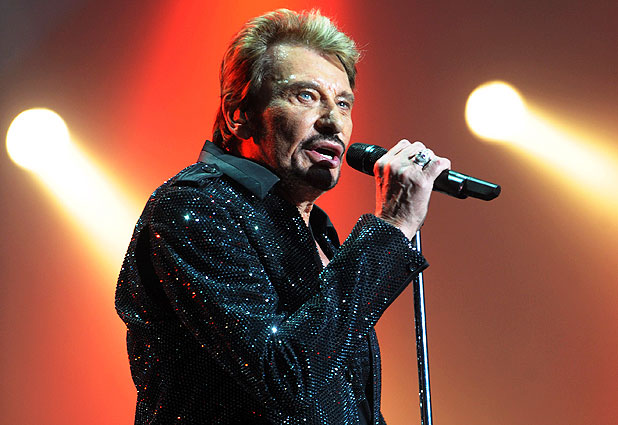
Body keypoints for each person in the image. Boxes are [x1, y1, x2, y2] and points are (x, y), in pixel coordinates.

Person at [116, 8, 450, 425]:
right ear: (238, 114)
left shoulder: (317, 231)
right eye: (306, 96)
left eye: (343, 103)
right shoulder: (195, 207)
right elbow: (285, 377)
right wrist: (391, 227)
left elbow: (338, 400)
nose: (333, 121)